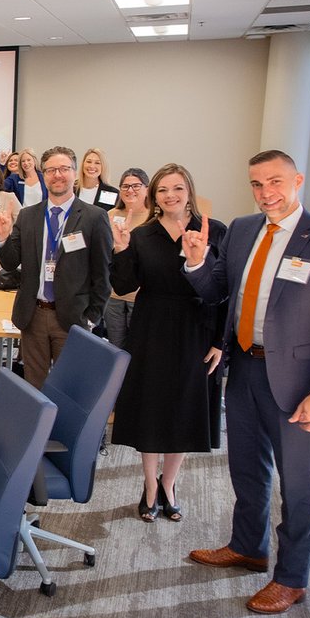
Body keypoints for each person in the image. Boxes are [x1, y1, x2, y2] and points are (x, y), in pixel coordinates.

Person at [183, 150, 310, 614]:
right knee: (246, 467)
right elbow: (218, 290)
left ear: (297, 180)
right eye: (257, 184)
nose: (267, 193)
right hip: (243, 366)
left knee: (299, 484)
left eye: (276, 182)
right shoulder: (243, 228)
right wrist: (198, 262)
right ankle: (248, 546)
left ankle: (292, 577)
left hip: (299, 382)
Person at [109, 163, 226, 523]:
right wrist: (121, 249)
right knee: (152, 409)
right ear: (153, 196)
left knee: (183, 410)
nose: (170, 196)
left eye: (177, 188)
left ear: (189, 190)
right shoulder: (142, 234)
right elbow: (125, 286)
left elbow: (223, 291)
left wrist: (219, 341)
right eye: (162, 190)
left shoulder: (213, 231)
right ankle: (149, 485)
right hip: (151, 328)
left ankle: (170, 484)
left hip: (196, 330)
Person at [0, 145, 112, 389]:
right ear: (43, 174)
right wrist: (4, 237)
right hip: (33, 315)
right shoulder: (28, 216)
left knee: (70, 387)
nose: (57, 175)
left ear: (74, 173)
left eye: (64, 169)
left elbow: (103, 274)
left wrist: (91, 318)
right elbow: (9, 262)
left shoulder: (94, 217)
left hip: (73, 318)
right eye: (50, 170)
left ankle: (64, 429)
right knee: (34, 386)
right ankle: (39, 428)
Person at [102, 168, 150, 349]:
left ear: (146, 189)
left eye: (136, 186)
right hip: (113, 295)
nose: (130, 190)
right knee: (116, 347)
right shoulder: (111, 215)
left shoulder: (154, 217)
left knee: (138, 348)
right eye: (125, 186)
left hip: (140, 297)